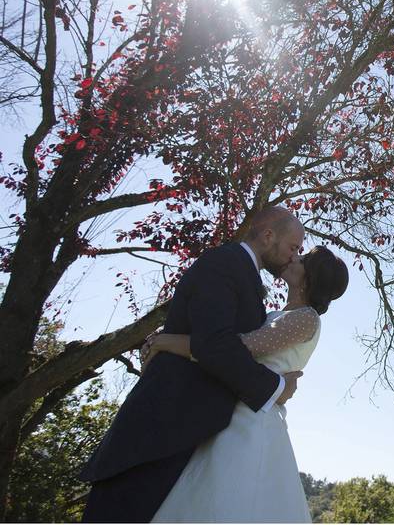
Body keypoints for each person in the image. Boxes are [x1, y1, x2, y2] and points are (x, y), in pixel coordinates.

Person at [81, 207, 307, 522]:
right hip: (158, 432)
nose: (294, 255)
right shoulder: (224, 263)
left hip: (184, 432)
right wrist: (277, 387)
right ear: (269, 235)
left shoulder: (246, 276)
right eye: (293, 247)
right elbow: (214, 343)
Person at [148, 243, 348, 522]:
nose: (294, 257)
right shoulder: (281, 315)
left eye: (301, 260)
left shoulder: (305, 319)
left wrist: (168, 342)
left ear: (309, 279)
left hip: (251, 420)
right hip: (233, 406)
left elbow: (236, 348)